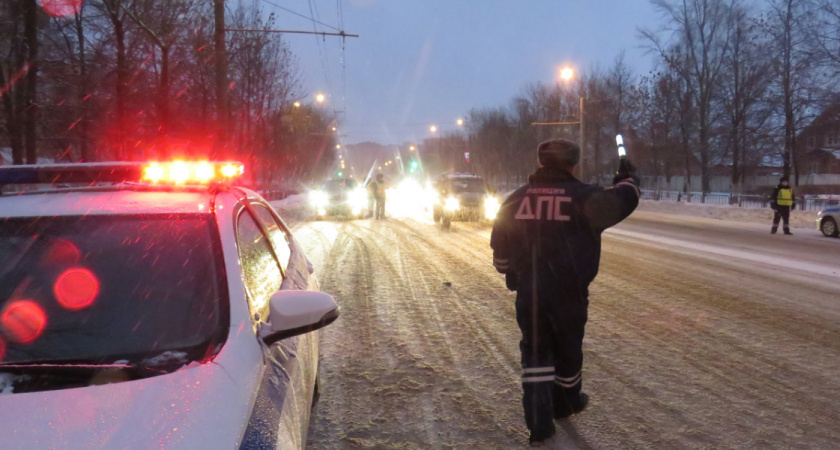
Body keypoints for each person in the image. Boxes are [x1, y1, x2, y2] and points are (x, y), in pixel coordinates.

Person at [490, 138, 640, 446]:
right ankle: (566, 401)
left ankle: (538, 422)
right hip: (569, 293)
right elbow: (627, 198)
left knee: (535, 352)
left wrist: (511, 272)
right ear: (573, 165)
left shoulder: (515, 200)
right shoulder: (586, 198)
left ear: (541, 162)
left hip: (530, 292)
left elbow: (501, 254)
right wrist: (627, 177)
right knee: (568, 349)